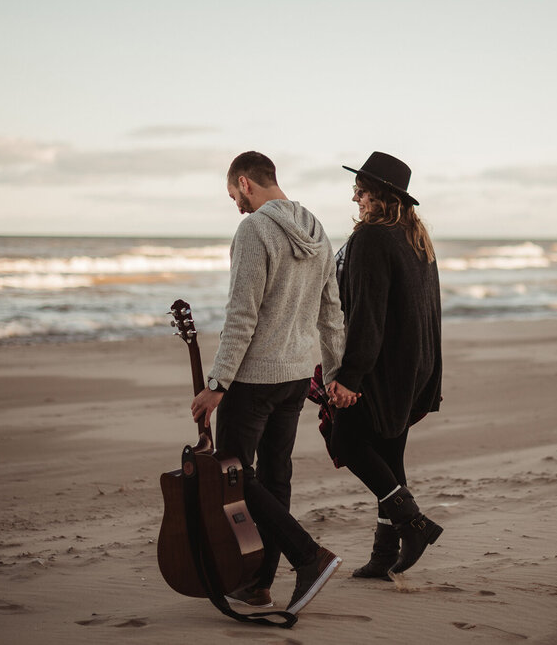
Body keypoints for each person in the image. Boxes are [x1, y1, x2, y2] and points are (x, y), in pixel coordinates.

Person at [190, 151, 345, 614]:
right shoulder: (316, 228)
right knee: (274, 477)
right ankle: (259, 583)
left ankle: (308, 557)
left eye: (234, 195)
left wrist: (217, 383)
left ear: (245, 182)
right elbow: (331, 312)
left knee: (233, 473)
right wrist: (335, 373)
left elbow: (241, 316)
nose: (236, 204)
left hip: (256, 378)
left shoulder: (253, 230)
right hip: (297, 376)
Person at [325, 151, 443, 579]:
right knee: (390, 457)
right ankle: (382, 555)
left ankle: (413, 525)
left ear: (379, 196)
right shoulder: (415, 238)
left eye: (361, 189)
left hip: (382, 369)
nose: (354, 195)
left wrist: (350, 377)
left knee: (348, 444)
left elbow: (367, 315)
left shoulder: (373, 238)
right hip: (415, 367)